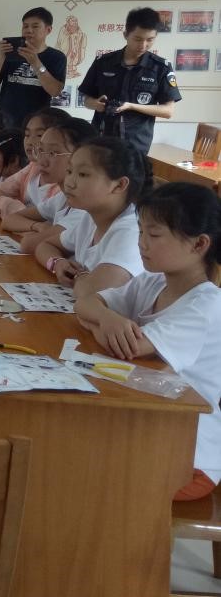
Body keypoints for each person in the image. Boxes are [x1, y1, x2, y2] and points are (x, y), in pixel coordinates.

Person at [74, 182, 221, 501]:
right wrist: (109, 319)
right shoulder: (152, 282)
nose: (141, 243)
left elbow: (131, 349)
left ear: (199, 244)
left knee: (78, 465)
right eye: (140, 231)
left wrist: (102, 321)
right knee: (70, 444)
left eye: (153, 235)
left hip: (188, 457)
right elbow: (84, 303)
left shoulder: (205, 305)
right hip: (148, 422)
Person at [32, 137, 146, 299]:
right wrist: (57, 263)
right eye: (69, 171)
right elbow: (44, 245)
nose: (69, 183)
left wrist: (79, 276)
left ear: (119, 185)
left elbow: (88, 293)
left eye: (83, 174)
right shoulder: (91, 218)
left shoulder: (131, 231)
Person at [78, 7, 180, 157]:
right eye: (138, 39)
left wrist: (131, 106)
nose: (143, 45)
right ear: (126, 34)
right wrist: (96, 104)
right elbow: (86, 100)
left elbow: (168, 111)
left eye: (150, 40)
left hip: (136, 144)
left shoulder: (161, 68)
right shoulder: (103, 62)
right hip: (101, 139)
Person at [0, 116, 95, 242]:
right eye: (41, 150)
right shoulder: (62, 198)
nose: (41, 162)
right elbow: (9, 220)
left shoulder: (85, 208)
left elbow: (30, 243)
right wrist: (37, 226)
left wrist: (38, 233)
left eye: (52, 153)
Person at [0, 107, 68, 219]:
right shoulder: (32, 168)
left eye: (39, 135)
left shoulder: (64, 185)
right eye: (27, 135)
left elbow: (42, 220)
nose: (30, 141)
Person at [0, 7, 66, 129]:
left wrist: (36, 63)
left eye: (35, 26)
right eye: (25, 26)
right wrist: (1, 56)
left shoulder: (56, 57)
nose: (29, 30)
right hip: (5, 123)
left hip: (37, 126)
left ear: (48, 30)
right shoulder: (12, 53)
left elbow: (55, 91)